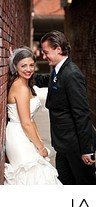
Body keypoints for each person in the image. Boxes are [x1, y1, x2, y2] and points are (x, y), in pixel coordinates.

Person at [33, 31, 96, 185]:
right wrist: (22, 70)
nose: (44, 56)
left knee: (84, 183)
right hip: (63, 145)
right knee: (64, 183)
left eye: (46, 52)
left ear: (58, 49)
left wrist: (87, 149)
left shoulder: (71, 74)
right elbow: (45, 80)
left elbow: (81, 114)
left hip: (76, 146)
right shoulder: (59, 70)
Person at [3, 47, 61, 185]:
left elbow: (30, 119)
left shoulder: (25, 84)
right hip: (18, 136)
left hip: (24, 133)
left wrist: (38, 141)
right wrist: (41, 148)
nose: (28, 69)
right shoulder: (21, 88)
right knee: (33, 176)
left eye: (31, 65)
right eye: (23, 65)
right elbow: (26, 122)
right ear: (15, 67)